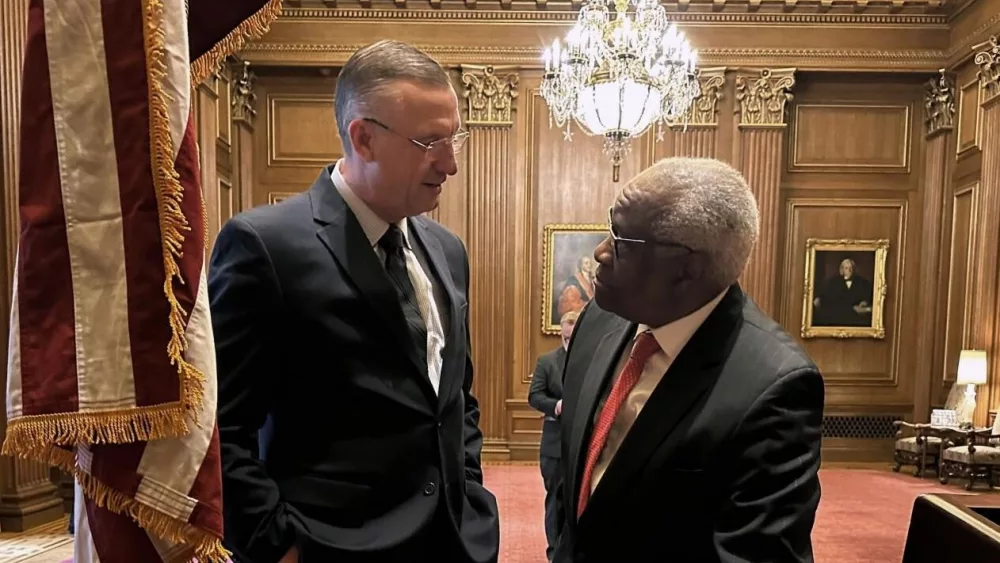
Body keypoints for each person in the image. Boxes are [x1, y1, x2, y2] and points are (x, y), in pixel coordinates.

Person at [209, 40, 499, 563]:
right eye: (430, 142)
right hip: (329, 546)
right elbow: (220, 427)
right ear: (363, 138)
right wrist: (278, 546)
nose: (451, 164)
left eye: (455, 138)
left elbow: (455, 398)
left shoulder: (447, 250)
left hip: (453, 542)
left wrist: (471, 498)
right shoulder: (263, 246)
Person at [554, 157, 825, 563]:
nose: (601, 252)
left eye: (623, 242)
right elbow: (574, 482)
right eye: (611, 227)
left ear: (686, 269)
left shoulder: (774, 386)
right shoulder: (598, 320)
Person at [527, 310, 578, 561]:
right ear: (561, 335)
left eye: (573, 338)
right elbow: (534, 396)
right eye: (565, 338)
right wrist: (556, 406)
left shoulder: (590, 361)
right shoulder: (547, 362)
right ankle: (554, 553)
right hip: (554, 444)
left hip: (582, 444)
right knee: (555, 501)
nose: (569, 343)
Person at [812, 257, 873, 327]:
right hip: (839, 313)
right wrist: (819, 299)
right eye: (846, 268)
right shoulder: (834, 282)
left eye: (851, 268)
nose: (850, 270)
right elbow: (827, 295)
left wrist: (865, 302)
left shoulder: (862, 282)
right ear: (842, 270)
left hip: (856, 318)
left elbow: (867, 295)